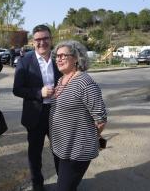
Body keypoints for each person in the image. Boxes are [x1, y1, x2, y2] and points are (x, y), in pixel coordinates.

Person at [50, 40, 107, 191]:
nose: (59, 59)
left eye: (63, 55)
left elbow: (101, 118)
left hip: (77, 150)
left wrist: (90, 138)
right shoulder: (61, 79)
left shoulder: (85, 82)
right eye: (57, 56)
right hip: (61, 147)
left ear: (76, 58)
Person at [13, 24, 61, 191]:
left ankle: (64, 182)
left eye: (45, 38)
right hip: (35, 115)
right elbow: (17, 89)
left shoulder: (59, 58)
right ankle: (37, 184)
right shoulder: (24, 61)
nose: (42, 42)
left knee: (60, 150)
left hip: (57, 113)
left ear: (51, 39)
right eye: (38, 40)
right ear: (33, 42)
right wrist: (39, 92)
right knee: (35, 153)